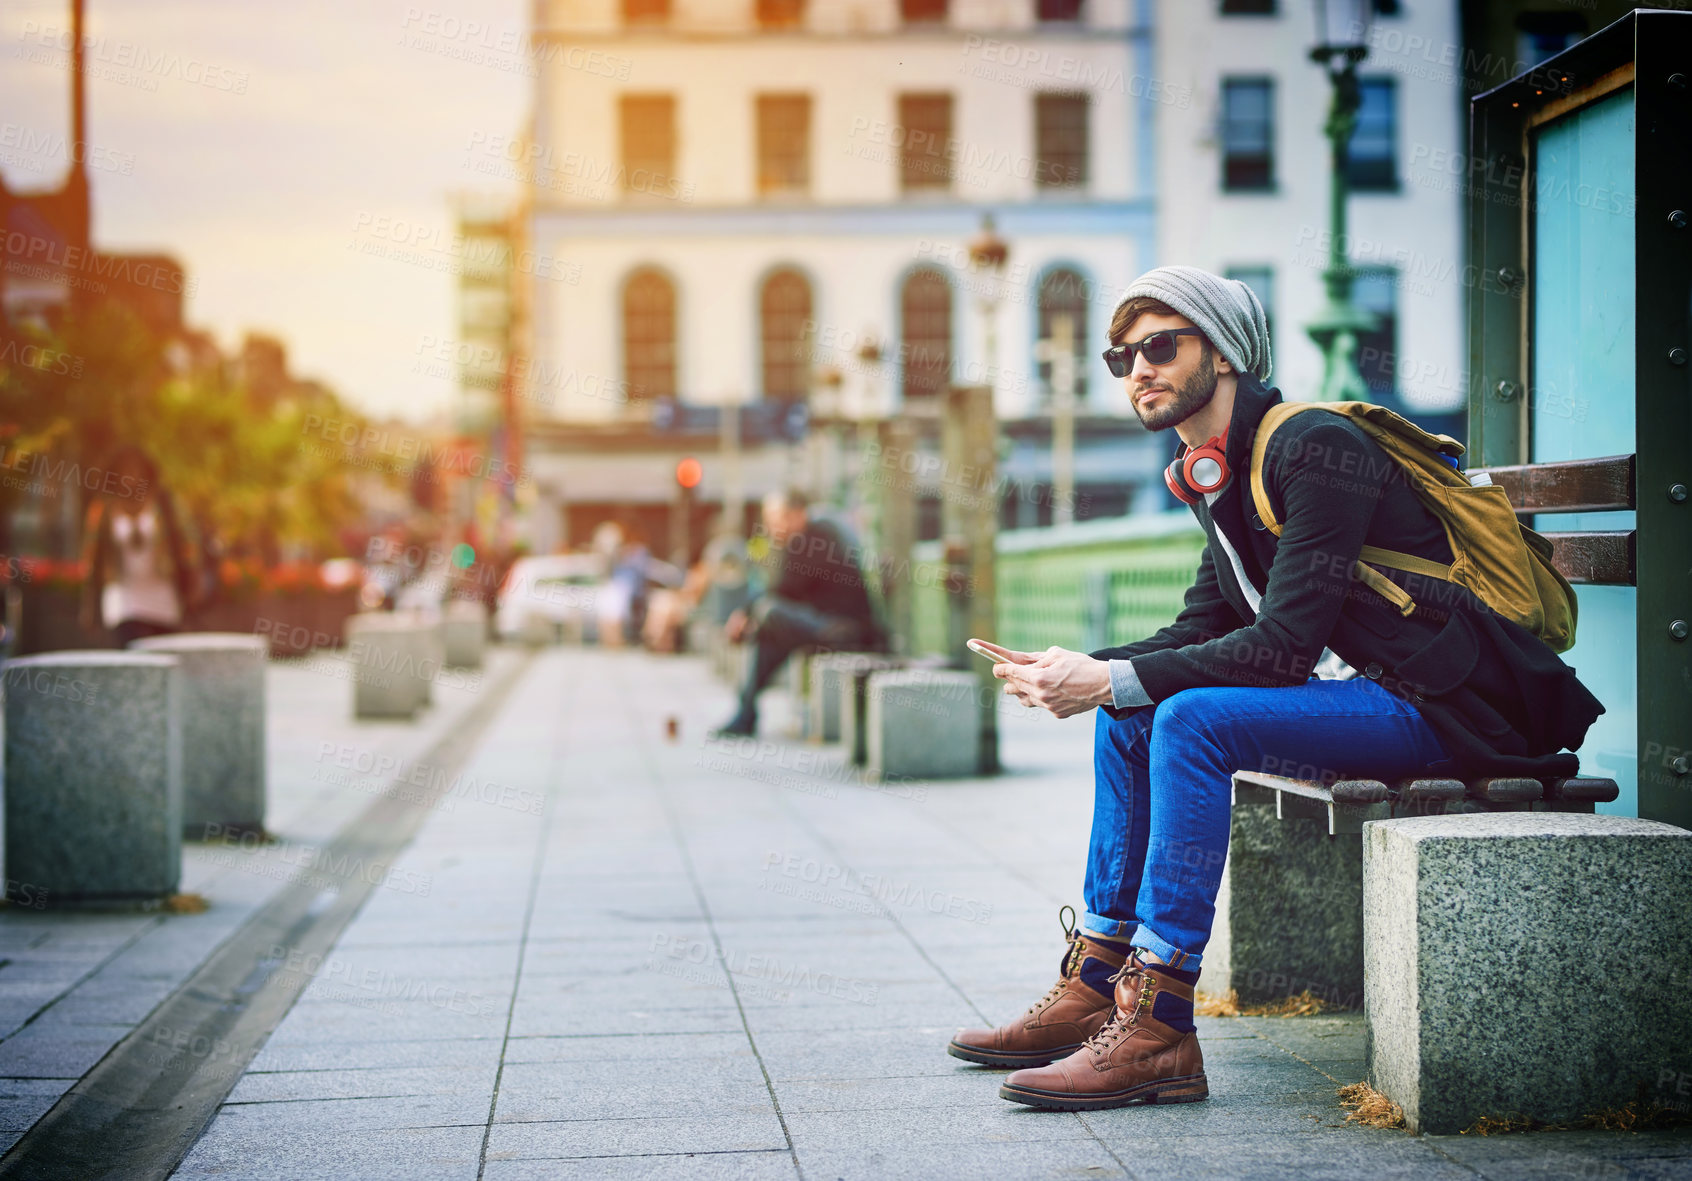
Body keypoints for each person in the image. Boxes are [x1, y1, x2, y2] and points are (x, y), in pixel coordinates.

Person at [949, 265, 1603, 1112]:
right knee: (1132, 717)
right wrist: (1078, 670)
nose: (1138, 369)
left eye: (1159, 346)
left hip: (1447, 708)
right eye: (1123, 358)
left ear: (1222, 354)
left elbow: (1284, 648)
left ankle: (1162, 1022)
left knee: (1183, 717)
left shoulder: (1314, 447)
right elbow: (1199, 628)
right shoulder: (1218, 468)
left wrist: (1114, 679)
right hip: (1374, 698)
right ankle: (1100, 979)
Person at [712, 489, 883, 737]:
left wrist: (746, 617)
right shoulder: (802, 540)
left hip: (845, 628)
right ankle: (746, 711)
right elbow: (782, 592)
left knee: (770, 614)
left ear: (797, 514)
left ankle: (746, 713)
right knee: (769, 629)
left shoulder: (817, 538)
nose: (770, 527)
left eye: (776, 518)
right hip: (821, 623)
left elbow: (782, 591)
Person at [79, 444, 195, 648]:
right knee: (134, 650)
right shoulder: (103, 510)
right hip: (123, 596)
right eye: (124, 469)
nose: (130, 474)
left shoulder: (165, 504)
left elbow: (187, 544)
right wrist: (88, 606)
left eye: (135, 468)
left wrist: (192, 580)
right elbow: (93, 559)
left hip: (162, 596)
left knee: (162, 656)